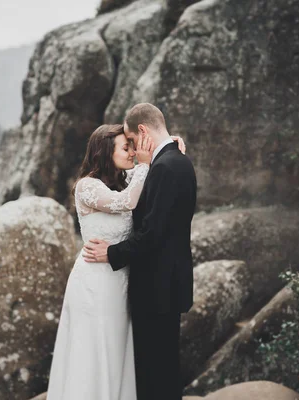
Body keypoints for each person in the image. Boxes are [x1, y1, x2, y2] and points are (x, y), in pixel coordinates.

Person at [46, 122, 186, 400]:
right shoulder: (87, 186)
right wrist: (146, 164)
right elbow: (127, 202)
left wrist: (167, 144)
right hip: (94, 284)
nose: (133, 152)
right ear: (105, 151)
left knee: (116, 348)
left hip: (119, 282)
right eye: (126, 147)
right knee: (92, 351)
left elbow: (153, 165)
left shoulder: (124, 177)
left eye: (133, 146)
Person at [83, 103, 197, 400]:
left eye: (132, 141)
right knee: (162, 370)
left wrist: (112, 253)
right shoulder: (177, 160)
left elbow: (152, 234)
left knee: (154, 375)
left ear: (143, 131)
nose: (132, 151)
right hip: (164, 285)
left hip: (157, 288)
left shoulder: (164, 168)